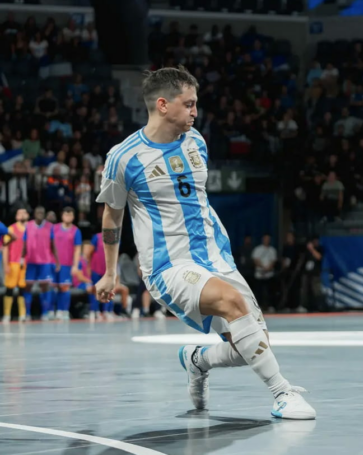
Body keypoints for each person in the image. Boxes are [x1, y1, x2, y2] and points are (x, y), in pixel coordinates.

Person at [93, 67, 314, 419]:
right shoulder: (123, 158)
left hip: (216, 257)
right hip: (169, 266)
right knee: (231, 302)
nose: (196, 112)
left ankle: (197, 360)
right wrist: (109, 273)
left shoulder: (196, 141)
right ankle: (282, 393)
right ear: (163, 105)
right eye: (189, 104)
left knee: (252, 347)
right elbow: (112, 216)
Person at [86, 232, 130, 320]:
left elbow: (115, 253)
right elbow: (89, 253)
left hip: (108, 270)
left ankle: (107, 311)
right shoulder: (97, 237)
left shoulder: (116, 238)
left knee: (109, 289)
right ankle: (94, 311)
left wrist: (114, 269)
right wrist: (89, 267)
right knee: (95, 290)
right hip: (96, 269)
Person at [50, 207, 82, 321]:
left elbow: (78, 249)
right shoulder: (54, 228)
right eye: (66, 215)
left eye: (70, 215)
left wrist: (75, 265)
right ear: (62, 216)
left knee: (64, 288)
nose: (68, 217)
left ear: (73, 217)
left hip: (67, 264)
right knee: (53, 288)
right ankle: (53, 311)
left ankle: (64, 311)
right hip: (54, 263)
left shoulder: (76, 231)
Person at [23, 206, 54, 321]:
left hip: (45, 261)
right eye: (38, 212)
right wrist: (22, 258)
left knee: (45, 286)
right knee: (28, 287)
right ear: (34, 214)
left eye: (42, 212)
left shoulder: (49, 226)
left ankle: (45, 313)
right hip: (31, 261)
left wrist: (57, 261)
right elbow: (24, 244)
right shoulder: (28, 225)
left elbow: (53, 244)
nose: (40, 213)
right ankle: (27, 313)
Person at [2, 208, 23, 323]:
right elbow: (9, 242)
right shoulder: (10, 228)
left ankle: (22, 314)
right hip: (12, 262)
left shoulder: (29, 229)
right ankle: (6, 314)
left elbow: (14, 237)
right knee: (9, 288)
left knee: (22, 288)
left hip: (22, 263)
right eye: (19, 212)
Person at [252, 234, 277, 310]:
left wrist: (268, 268)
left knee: (270, 291)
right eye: (265, 239)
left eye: (268, 239)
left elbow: (273, 261)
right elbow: (256, 260)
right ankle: (259, 307)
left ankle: (270, 306)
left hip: (269, 274)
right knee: (259, 292)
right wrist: (262, 267)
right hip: (259, 274)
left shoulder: (272, 250)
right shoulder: (257, 249)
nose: (267, 240)